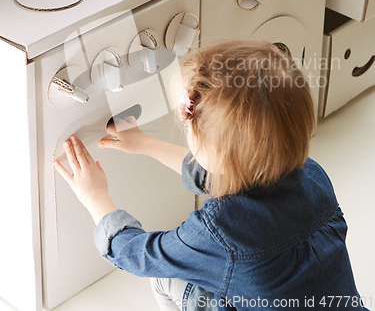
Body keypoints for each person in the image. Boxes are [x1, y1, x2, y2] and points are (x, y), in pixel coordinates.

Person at [54, 39, 367, 311]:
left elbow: (140, 255)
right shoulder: (312, 175)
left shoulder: (220, 231)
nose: (184, 126)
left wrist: (96, 198)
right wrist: (145, 144)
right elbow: (224, 174)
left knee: (166, 278)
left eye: (188, 126)